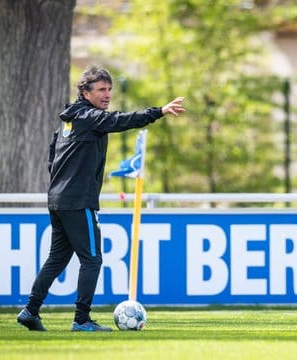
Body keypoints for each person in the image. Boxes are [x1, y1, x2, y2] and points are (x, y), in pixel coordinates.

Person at [17, 65, 186, 332]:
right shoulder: (90, 117)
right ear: (85, 92)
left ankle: (30, 311)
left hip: (58, 200)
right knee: (92, 259)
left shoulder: (67, 123)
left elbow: (52, 160)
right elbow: (122, 120)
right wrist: (159, 112)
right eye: (101, 90)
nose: (107, 94)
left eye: (109, 89)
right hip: (77, 201)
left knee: (57, 259)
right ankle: (81, 319)